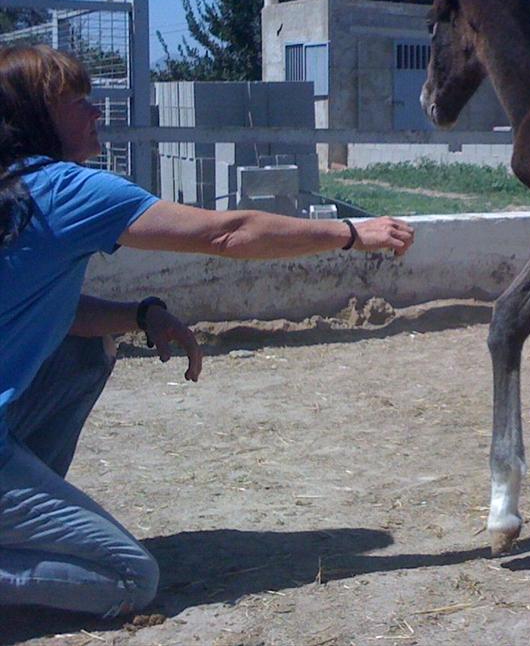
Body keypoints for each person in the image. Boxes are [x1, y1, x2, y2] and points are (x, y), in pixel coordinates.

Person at [0, 44, 414, 618]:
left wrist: (142, 316)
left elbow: (46, 312)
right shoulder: (66, 191)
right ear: (37, 119)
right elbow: (227, 233)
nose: (96, 113)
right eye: (78, 103)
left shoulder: (15, 193)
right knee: (128, 578)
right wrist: (349, 232)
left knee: (86, 350)